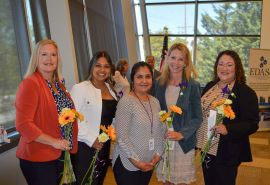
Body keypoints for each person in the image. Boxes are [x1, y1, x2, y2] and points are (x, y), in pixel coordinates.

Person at [15, 39, 78, 185]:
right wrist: (54, 142)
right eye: (44, 54)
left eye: (53, 55)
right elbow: (23, 125)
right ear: (36, 58)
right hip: (39, 157)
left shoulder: (58, 84)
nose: (49, 59)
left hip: (62, 155)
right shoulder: (30, 83)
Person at [196, 50, 259, 185]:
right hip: (206, 147)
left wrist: (228, 129)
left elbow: (253, 123)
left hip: (228, 151)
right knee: (209, 181)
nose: (224, 68)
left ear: (237, 68)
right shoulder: (210, 86)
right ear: (216, 67)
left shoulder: (246, 93)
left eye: (229, 65)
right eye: (221, 64)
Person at [155, 43, 202, 185]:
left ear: (186, 62)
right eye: (173, 57)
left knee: (181, 182)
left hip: (182, 143)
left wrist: (181, 134)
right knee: (166, 181)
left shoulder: (192, 85)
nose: (176, 62)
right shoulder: (158, 83)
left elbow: (197, 117)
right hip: (163, 140)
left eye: (181, 59)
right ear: (167, 58)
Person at [112, 62, 165, 185]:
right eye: (139, 77)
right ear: (132, 79)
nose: (144, 81)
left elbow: (160, 131)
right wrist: (137, 162)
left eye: (148, 76)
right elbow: (122, 137)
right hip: (127, 163)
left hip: (148, 162)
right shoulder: (126, 102)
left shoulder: (155, 102)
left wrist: (158, 154)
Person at [70, 51, 118, 185]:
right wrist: (91, 139)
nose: (102, 70)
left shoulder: (110, 88)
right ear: (91, 67)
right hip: (85, 148)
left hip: (103, 146)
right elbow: (71, 120)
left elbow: (112, 118)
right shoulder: (80, 88)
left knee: (98, 181)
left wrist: (112, 132)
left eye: (106, 66)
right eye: (98, 65)